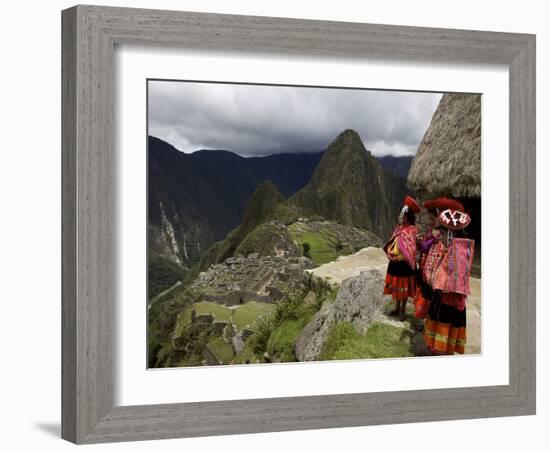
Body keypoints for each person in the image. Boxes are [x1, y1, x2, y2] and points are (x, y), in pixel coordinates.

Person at [422, 198, 475, 355]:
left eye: (443, 233)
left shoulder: (457, 252)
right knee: (439, 329)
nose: (441, 236)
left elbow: (454, 279)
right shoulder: (452, 249)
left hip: (449, 302)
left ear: (450, 233)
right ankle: (438, 350)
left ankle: (442, 353)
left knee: (445, 329)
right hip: (443, 298)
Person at [383, 196, 420, 321]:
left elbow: (412, 248)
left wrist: (402, 257)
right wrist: (391, 252)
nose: (401, 217)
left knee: (403, 289)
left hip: (404, 264)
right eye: (401, 214)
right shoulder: (399, 227)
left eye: (403, 215)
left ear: (408, 216)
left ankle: (403, 310)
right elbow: (393, 240)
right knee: (396, 287)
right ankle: (397, 307)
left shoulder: (412, 230)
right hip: (395, 263)